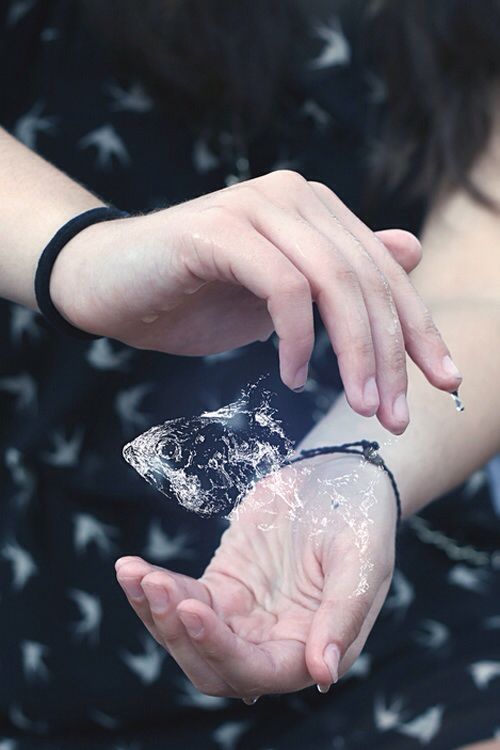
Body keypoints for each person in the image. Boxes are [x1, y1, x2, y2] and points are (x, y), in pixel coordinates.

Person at [0, 0, 499, 747]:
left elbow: (480, 286)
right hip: (54, 613)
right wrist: (79, 256)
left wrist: (355, 464)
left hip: (398, 587)